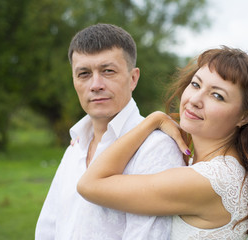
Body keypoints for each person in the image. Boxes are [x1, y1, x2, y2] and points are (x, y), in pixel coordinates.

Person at [77, 46, 248, 239]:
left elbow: (90, 184)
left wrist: (153, 120)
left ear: (245, 117)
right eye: (196, 84)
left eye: (217, 96)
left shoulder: (210, 181)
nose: (195, 99)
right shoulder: (220, 168)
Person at [35, 23, 184, 240]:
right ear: (74, 81)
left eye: (107, 71)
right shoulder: (76, 145)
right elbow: (48, 227)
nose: (96, 84)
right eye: (84, 73)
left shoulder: (156, 147)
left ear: (133, 78)